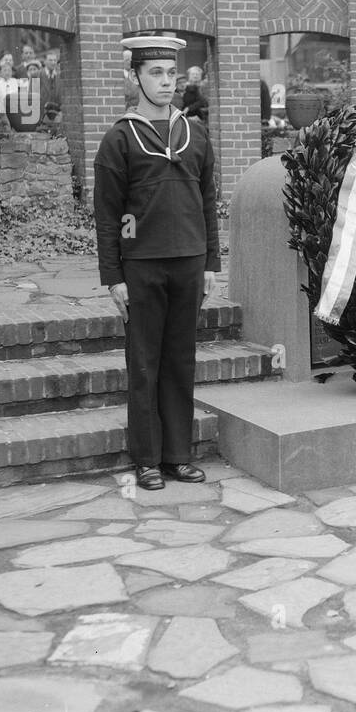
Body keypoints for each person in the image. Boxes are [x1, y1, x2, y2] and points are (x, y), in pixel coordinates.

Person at [93, 33, 221, 491]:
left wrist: (210, 264)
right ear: (136, 78)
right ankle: (147, 459)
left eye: (171, 73)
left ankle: (177, 456)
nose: (167, 82)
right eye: (155, 73)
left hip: (188, 263)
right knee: (144, 363)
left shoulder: (195, 133)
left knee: (180, 361)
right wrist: (114, 277)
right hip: (142, 266)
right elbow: (106, 216)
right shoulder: (119, 140)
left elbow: (208, 201)